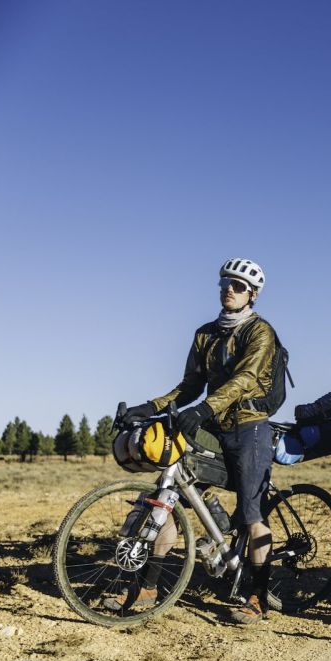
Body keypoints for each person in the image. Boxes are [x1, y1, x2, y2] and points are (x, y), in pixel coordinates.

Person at [118, 258, 280, 624]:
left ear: (252, 295)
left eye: (238, 286)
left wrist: (204, 409)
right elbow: (189, 385)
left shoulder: (260, 332)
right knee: (171, 489)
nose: (229, 290)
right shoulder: (205, 333)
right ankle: (149, 586)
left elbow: (243, 379)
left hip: (250, 426)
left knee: (252, 513)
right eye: (225, 283)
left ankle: (257, 596)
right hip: (215, 423)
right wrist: (150, 406)